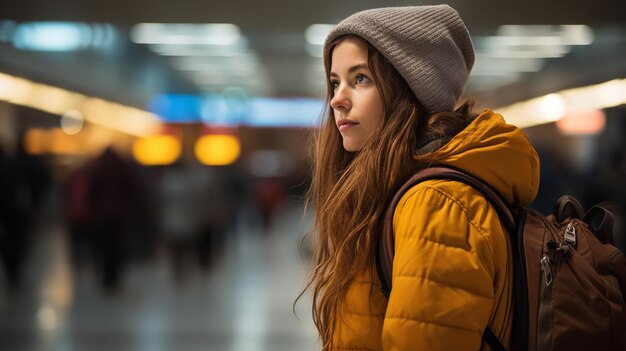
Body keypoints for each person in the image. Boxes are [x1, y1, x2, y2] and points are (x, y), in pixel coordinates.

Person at [302, 5, 540, 350]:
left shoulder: (435, 206)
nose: (337, 99)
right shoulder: (396, 192)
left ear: (407, 91)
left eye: (361, 79)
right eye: (335, 82)